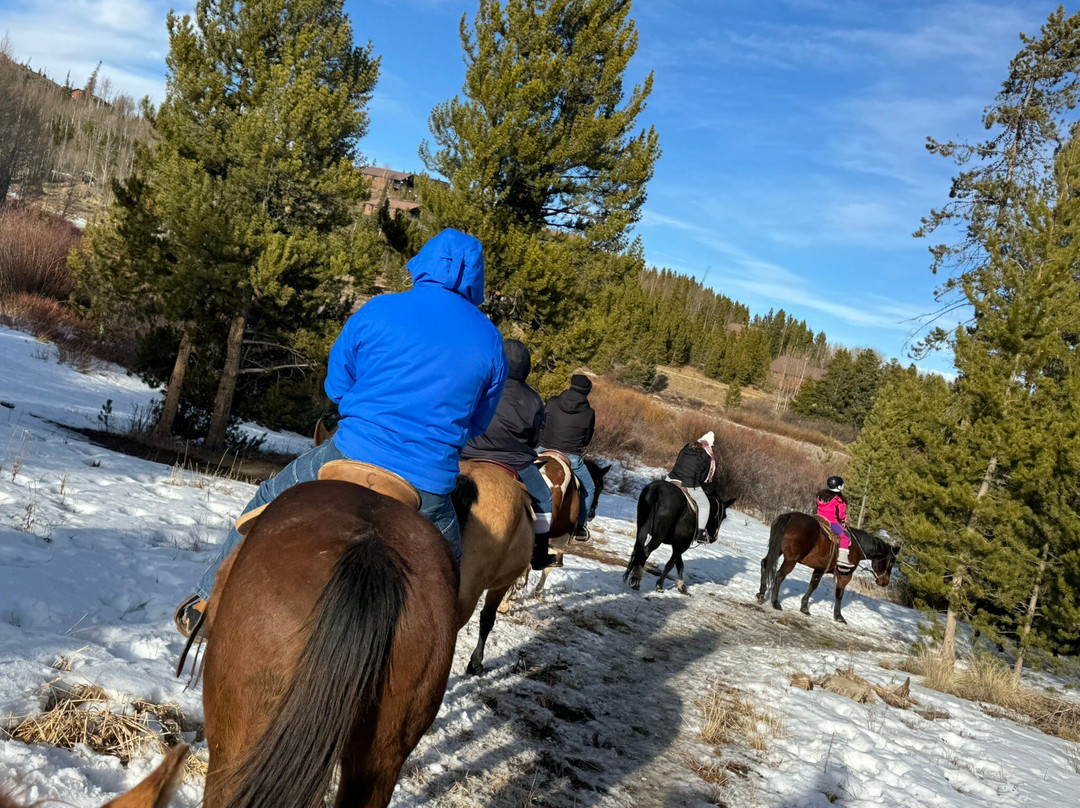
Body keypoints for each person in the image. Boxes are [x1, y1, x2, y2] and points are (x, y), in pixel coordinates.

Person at [174, 228, 508, 637]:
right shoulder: (491, 341)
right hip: (429, 483)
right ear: (476, 277)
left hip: (349, 452)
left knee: (266, 497)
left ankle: (207, 599)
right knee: (450, 574)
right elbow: (477, 423)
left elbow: (337, 386)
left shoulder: (380, 309)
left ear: (424, 262)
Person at [461, 340, 558, 571]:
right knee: (544, 498)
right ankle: (539, 553)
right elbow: (536, 439)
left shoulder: (481, 386)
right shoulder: (533, 399)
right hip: (515, 462)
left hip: (467, 454)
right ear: (526, 367)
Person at [538, 374, 597, 535]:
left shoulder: (553, 401)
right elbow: (587, 439)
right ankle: (581, 527)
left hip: (543, 449)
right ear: (587, 391)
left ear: (570, 385)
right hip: (571, 455)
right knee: (589, 488)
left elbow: (542, 423)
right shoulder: (589, 412)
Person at [667, 431, 717, 544]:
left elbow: (678, 461)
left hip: (672, 478)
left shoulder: (687, 446)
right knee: (705, 505)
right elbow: (703, 476)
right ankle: (700, 533)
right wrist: (703, 486)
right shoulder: (707, 455)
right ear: (710, 444)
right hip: (689, 484)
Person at [816, 475, 851, 566]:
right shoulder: (839, 500)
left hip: (818, 517)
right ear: (839, 487)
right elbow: (841, 515)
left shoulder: (820, 495)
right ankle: (842, 559)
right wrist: (843, 521)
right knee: (845, 537)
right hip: (831, 522)